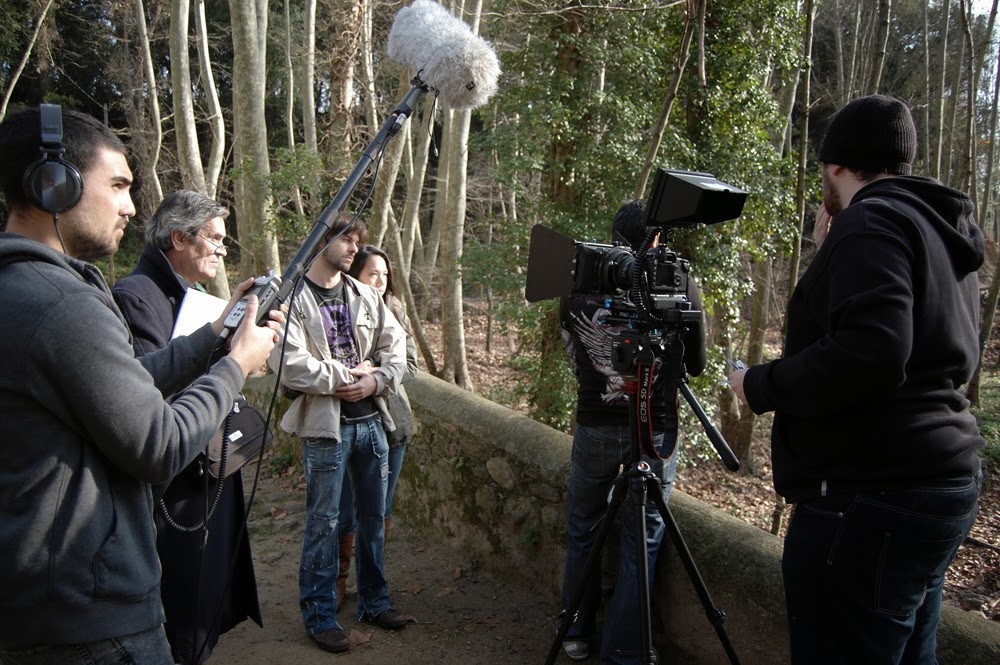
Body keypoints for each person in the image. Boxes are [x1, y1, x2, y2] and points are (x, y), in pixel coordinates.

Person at [0, 107, 283, 665]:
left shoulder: (27, 289)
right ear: (54, 184)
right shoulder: (62, 304)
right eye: (119, 185)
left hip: (47, 605)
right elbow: (159, 443)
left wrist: (215, 335)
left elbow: (123, 391)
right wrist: (237, 364)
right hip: (91, 619)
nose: (131, 206)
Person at [729, 94, 984, 663]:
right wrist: (830, 254)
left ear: (838, 164)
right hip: (941, 483)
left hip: (871, 499)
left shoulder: (870, 221)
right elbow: (926, 349)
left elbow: (874, 350)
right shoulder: (936, 230)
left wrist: (760, 385)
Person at [111, 190, 262, 664]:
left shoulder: (195, 295)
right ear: (179, 237)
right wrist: (230, 362)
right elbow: (145, 392)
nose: (222, 248)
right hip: (178, 478)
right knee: (184, 601)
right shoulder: (135, 296)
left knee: (207, 591)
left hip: (208, 461)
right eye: (214, 238)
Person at [558, 200, 707, 664]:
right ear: (657, 239)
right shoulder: (678, 282)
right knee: (640, 538)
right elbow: (696, 364)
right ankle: (625, 650)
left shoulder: (578, 282)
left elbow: (572, 351)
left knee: (583, 525)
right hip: (653, 430)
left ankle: (575, 634)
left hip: (595, 421)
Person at [269, 215, 409, 653]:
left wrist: (375, 381)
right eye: (346, 240)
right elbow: (287, 363)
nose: (354, 248)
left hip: (372, 422)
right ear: (320, 240)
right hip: (326, 429)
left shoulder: (365, 294)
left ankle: (374, 602)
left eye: (356, 241)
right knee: (324, 523)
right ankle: (319, 615)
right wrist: (347, 374)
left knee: (373, 521)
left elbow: (397, 349)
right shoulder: (291, 299)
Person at [336, 244, 420, 605]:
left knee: (380, 511)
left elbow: (411, 367)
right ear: (354, 276)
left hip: (392, 425)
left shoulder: (395, 312)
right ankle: (338, 581)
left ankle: (372, 584)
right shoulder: (336, 311)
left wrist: (376, 372)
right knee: (342, 511)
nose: (382, 281)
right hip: (342, 424)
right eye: (373, 273)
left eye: (386, 274)